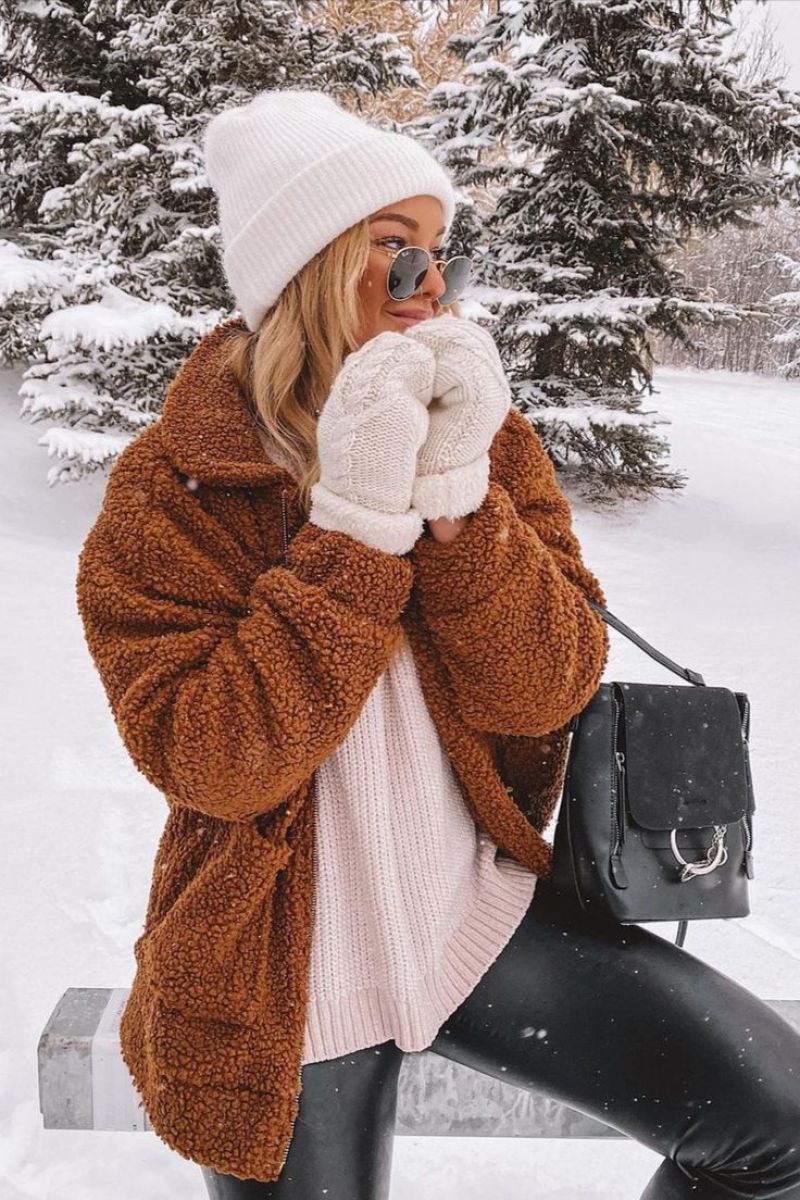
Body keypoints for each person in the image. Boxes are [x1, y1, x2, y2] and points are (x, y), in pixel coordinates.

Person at [75, 90, 800, 1200]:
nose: (430, 284)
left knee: (779, 1125)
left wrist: (461, 509)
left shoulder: (481, 435)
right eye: (393, 246)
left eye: (439, 252)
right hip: (279, 964)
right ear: (308, 267)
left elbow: (545, 689)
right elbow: (213, 760)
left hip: (474, 915)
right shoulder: (173, 488)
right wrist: (354, 535)